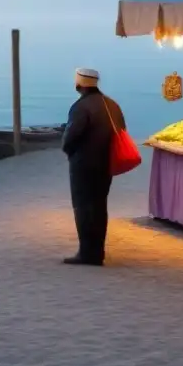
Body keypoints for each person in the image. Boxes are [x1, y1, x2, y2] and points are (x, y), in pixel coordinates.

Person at [61, 67, 125, 267]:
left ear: (79, 84)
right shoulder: (112, 104)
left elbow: (71, 137)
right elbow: (122, 130)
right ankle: (98, 251)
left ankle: (87, 253)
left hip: (84, 165)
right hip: (106, 163)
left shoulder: (80, 107)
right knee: (99, 206)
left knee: (83, 207)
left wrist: (69, 151)